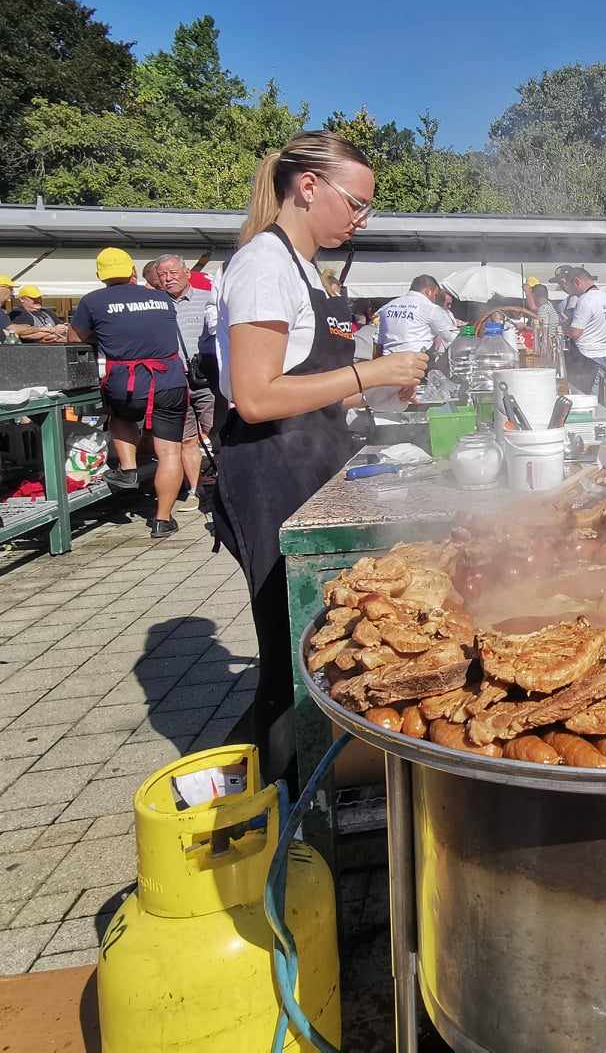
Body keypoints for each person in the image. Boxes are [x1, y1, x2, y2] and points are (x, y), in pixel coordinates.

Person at [213, 132, 427, 750]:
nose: (361, 219)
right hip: (269, 466)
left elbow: (310, 388)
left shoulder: (308, 269)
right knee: (290, 642)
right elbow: (255, 397)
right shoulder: (262, 263)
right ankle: (284, 794)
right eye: (356, 202)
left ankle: (323, 768)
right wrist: (372, 371)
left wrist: (379, 393)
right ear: (308, 187)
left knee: (329, 630)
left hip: (312, 452)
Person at [69, 248, 187, 539]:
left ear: (100, 275)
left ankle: (129, 468)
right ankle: (162, 519)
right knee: (170, 451)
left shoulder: (92, 301)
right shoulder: (162, 298)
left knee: (120, 415)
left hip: (126, 383)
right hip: (168, 380)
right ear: (133, 271)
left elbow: (74, 341)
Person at [147, 254, 217, 510]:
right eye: (163, 274)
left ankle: (224, 481)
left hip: (207, 376)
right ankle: (197, 489)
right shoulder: (153, 304)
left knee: (215, 431)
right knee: (187, 438)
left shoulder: (206, 297)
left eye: (173, 272)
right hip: (173, 380)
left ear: (187, 272)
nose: (168, 278)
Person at [559, 267, 606, 395]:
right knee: (600, 397)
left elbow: (575, 333)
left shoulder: (585, 300)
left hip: (587, 358)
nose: (572, 293)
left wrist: (563, 328)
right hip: (604, 354)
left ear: (577, 282)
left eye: (571, 287)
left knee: (587, 398)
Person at [377, 275, 458, 360]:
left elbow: (378, 340)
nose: (435, 299)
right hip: (415, 364)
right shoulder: (431, 308)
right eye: (435, 294)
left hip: (388, 363)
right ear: (428, 291)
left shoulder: (387, 307)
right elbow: (453, 337)